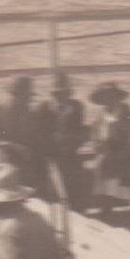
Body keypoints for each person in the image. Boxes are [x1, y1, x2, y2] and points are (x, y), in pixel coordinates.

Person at [0, 75, 51, 197]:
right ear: (11, 95)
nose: (26, 101)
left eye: (28, 98)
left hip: (17, 164)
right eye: (21, 97)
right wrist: (12, 146)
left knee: (39, 167)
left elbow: (35, 142)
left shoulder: (30, 115)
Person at [88, 82, 130, 214]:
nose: (109, 100)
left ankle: (121, 203)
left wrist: (119, 125)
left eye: (111, 96)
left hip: (127, 149)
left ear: (117, 97)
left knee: (125, 164)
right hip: (109, 151)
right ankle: (106, 206)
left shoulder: (126, 111)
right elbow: (95, 135)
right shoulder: (101, 115)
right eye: (105, 97)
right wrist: (100, 146)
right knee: (102, 164)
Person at [46, 73, 90, 210]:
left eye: (64, 93)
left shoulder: (77, 107)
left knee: (77, 174)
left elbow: (78, 133)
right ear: (52, 94)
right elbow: (42, 136)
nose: (60, 97)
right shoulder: (44, 108)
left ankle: (79, 211)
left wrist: (67, 141)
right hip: (50, 154)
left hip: (70, 152)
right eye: (56, 94)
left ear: (69, 93)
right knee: (55, 176)